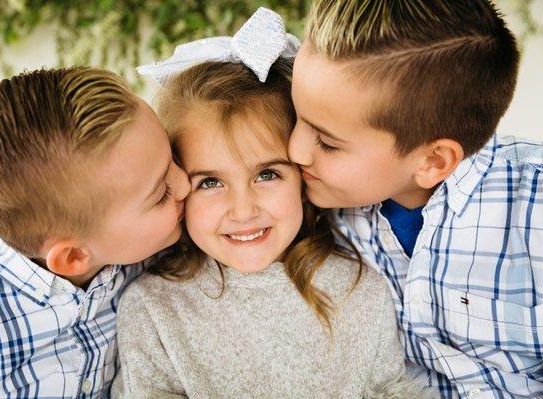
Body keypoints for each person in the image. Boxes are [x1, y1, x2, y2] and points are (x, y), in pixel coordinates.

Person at [113, 8, 431, 398]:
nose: (243, 210)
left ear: (302, 176)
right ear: (176, 184)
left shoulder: (359, 290)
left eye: (267, 174)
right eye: (210, 182)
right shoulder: (151, 309)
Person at [288, 0, 542, 397]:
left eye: (327, 142)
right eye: (295, 117)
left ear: (433, 161)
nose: (295, 150)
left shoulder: (534, 209)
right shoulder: (320, 198)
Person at [0, 67, 190, 397]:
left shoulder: (155, 249)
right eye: (160, 195)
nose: (185, 183)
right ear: (74, 257)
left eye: (173, 157)